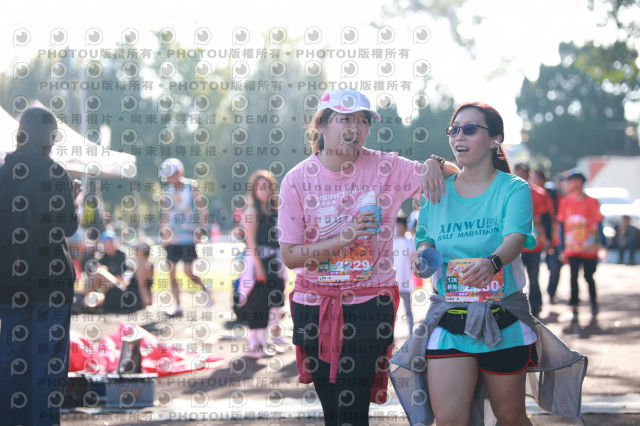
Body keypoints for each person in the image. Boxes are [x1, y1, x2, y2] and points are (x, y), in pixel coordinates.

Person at [390, 102, 587, 425]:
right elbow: (425, 238)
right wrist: (423, 255)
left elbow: (516, 238)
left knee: (510, 417)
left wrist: (492, 263)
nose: (458, 137)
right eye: (454, 130)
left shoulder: (513, 188)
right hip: (449, 321)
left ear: (496, 139)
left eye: (469, 129)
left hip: (503, 320)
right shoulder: (436, 189)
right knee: (449, 419)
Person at [278, 89, 456, 425]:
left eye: (362, 121)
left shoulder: (387, 167)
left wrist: (435, 163)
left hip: (369, 303)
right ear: (321, 125)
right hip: (315, 305)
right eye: (345, 119)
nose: (355, 128)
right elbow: (291, 256)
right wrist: (345, 237)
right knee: (333, 411)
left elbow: (454, 176)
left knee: (353, 410)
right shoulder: (297, 180)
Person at [0, 106, 79, 425]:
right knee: (47, 368)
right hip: (51, 282)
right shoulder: (54, 172)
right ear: (51, 137)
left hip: (9, 284)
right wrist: (73, 198)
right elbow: (67, 226)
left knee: (11, 363)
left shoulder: (3, 173)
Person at [237, 170, 287, 358]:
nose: (264, 190)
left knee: (270, 302)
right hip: (258, 261)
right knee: (257, 302)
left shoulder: (275, 211)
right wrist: (258, 266)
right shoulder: (252, 212)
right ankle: (254, 345)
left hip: (275, 261)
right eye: (260, 187)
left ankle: (263, 342)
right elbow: (251, 242)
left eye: (267, 187)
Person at [159, 157, 212, 318]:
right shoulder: (167, 191)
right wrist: (164, 235)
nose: (170, 178)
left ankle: (205, 289)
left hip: (189, 236)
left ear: (180, 172)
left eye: (172, 174)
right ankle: (177, 306)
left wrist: (202, 229)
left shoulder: (192, 187)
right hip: (173, 238)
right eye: (168, 176)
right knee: (171, 272)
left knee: (189, 272)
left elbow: (202, 209)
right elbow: (166, 214)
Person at [556, 168, 606, 319]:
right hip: (572, 249)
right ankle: (574, 305)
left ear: (579, 182)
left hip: (589, 248)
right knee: (573, 277)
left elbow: (598, 224)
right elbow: (561, 225)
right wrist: (562, 247)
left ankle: (594, 303)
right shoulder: (565, 201)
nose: (567, 184)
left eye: (570, 181)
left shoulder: (592, 202)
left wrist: (602, 244)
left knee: (589, 277)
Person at [514, 163, 553, 317]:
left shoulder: (538, 193)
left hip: (533, 244)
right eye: (517, 172)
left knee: (534, 277)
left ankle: (536, 307)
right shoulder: (510, 191)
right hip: (514, 246)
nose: (519, 175)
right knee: (515, 279)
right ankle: (518, 308)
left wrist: (549, 238)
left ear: (528, 175)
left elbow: (546, 218)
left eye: (522, 173)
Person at [531, 168, 563, 304]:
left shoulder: (553, 194)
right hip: (536, 239)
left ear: (543, 180)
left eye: (536, 178)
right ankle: (536, 301)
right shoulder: (528, 193)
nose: (534, 181)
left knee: (554, 267)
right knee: (534, 272)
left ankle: (551, 292)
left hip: (553, 237)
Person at [393, 210, 416, 334]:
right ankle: (391, 338)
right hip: (392, 284)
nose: (397, 229)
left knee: (408, 310)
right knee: (392, 312)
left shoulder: (408, 242)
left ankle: (411, 334)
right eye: (396, 226)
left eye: (400, 226)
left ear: (405, 227)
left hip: (406, 282)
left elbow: (414, 259)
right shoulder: (390, 242)